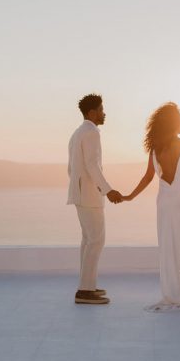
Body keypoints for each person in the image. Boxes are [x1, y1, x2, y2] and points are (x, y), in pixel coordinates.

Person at [123, 103, 180, 312]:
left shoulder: (155, 148)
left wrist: (130, 196)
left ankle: (171, 292)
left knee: (168, 246)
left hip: (165, 203)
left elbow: (148, 177)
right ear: (175, 123)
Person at [67, 94, 122, 305]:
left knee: (88, 241)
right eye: (101, 109)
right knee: (96, 240)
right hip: (89, 195)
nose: (104, 113)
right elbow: (92, 165)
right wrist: (108, 190)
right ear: (92, 113)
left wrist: (77, 188)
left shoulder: (76, 133)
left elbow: (71, 168)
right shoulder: (91, 132)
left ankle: (87, 285)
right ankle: (84, 291)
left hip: (80, 193)